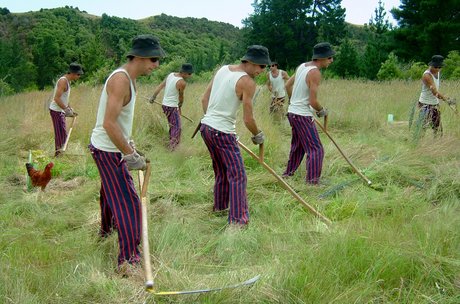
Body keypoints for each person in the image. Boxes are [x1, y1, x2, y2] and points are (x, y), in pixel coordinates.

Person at [88, 34, 165, 273]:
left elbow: (117, 124)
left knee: (110, 192)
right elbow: (109, 123)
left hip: (110, 147)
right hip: (108, 150)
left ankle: (106, 231)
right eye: (153, 59)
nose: (156, 65)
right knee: (129, 202)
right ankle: (128, 259)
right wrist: (129, 154)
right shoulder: (121, 80)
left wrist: (130, 146)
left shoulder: (129, 79)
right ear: (139, 57)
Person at [199, 45, 270, 227]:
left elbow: (203, 99)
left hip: (206, 128)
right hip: (221, 131)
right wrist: (258, 134)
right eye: (261, 66)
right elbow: (248, 119)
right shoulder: (247, 82)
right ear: (252, 62)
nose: (262, 71)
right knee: (238, 176)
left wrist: (212, 120)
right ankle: (238, 220)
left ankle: (220, 208)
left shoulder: (223, 70)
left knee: (222, 172)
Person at [282, 42, 335, 185]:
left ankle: (288, 174)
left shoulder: (302, 66)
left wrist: (293, 102)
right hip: (302, 116)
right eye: (329, 58)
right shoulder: (315, 73)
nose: (331, 61)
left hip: (293, 112)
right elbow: (312, 101)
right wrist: (321, 110)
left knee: (298, 147)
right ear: (321, 57)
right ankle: (312, 182)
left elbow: (287, 85)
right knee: (316, 149)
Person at [149, 63, 194, 150]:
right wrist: (179, 108)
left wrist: (153, 97)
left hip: (165, 105)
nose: (190, 75)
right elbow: (181, 98)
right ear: (184, 73)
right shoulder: (182, 82)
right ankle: (173, 148)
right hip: (172, 107)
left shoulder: (171, 75)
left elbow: (161, 86)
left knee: (173, 126)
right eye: (189, 74)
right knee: (177, 128)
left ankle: (170, 143)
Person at [49, 62, 83, 157]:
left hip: (61, 111)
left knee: (63, 134)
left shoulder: (68, 82)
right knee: (60, 134)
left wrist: (70, 109)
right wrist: (66, 109)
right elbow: (56, 98)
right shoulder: (63, 81)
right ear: (72, 73)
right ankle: (58, 156)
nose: (79, 76)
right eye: (78, 74)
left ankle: (60, 154)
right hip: (56, 111)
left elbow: (64, 98)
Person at [417, 55, 450, 136]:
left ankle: (436, 146)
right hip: (425, 104)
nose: (438, 69)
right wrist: (446, 99)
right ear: (431, 65)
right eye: (436, 67)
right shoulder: (427, 75)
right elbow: (435, 92)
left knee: (438, 130)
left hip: (434, 104)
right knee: (422, 129)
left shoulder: (437, 72)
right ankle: (418, 146)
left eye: (439, 67)